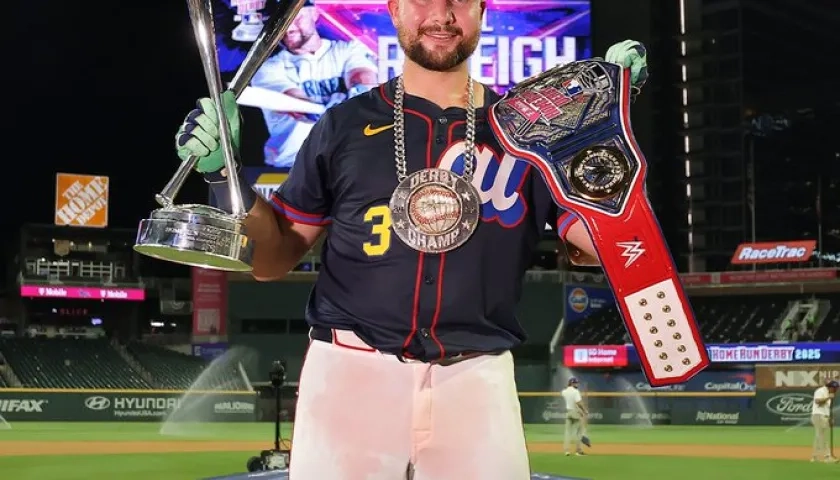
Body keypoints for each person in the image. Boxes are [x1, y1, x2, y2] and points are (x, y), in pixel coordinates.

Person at [174, 0, 648, 476]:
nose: (441, 16)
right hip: (349, 373)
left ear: (482, 9)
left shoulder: (532, 134)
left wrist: (602, 134)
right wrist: (225, 176)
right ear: (395, 8)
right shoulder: (342, 126)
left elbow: (606, 247)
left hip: (476, 377)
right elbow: (270, 261)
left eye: (459, 1)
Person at [249, 0, 379, 168]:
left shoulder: (348, 50)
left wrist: (359, 93)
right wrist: (343, 108)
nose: (287, 28)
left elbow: (364, 78)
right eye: (278, 22)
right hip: (291, 167)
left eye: (295, 18)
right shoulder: (267, 69)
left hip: (349, 165)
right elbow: (299, 106)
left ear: (314, 13)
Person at [811, 379, 838, 463]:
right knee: (822, 436)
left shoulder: (828, 393)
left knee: (819, 436)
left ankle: (814, 457)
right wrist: (828, 397)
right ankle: (827, 457)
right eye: (835, 388)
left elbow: (826, 408)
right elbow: (817, 401)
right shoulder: (820, 391)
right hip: (818, 415)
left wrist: (829, 418)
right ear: (831, 387)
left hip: (824, 415)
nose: (836, 390)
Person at [561, 377, 589, 456]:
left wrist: (568, 386)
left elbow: (564, 391)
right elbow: (579, 402)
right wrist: (585, 410)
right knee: (579, 433)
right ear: (572, 383)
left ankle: (566, 451)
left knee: (567, 432)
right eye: (575, 383)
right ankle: (578, 451)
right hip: (575, 412)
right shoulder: (576, 391)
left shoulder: (564, 391)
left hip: (568, 412)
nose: (577, 384)